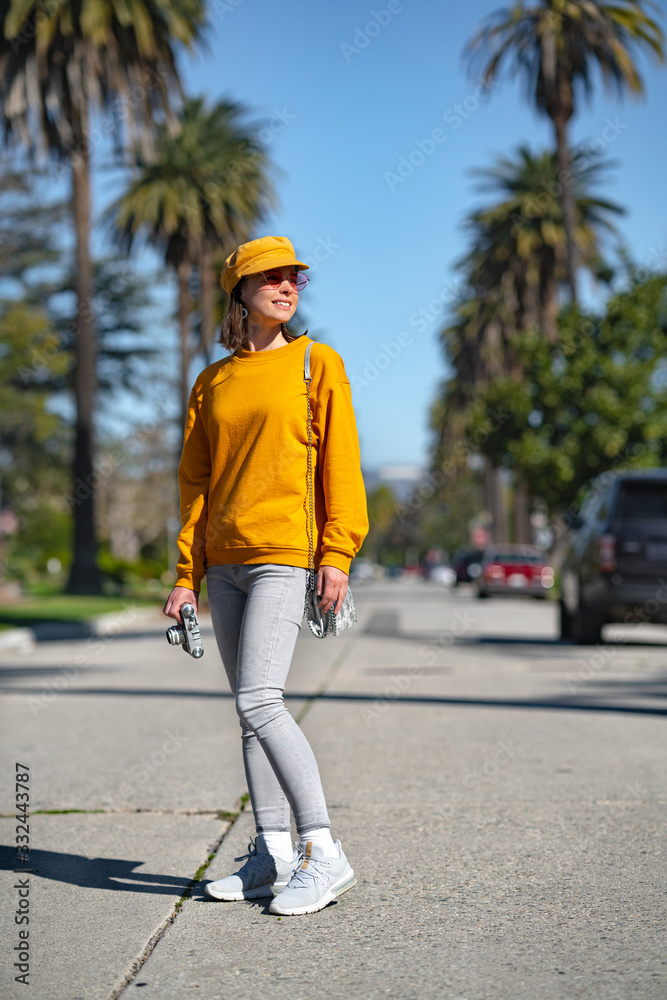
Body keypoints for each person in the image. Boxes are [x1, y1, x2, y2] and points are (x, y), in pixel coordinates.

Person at [163, 236, 369, 916]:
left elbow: (340, 464)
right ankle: (271, 854)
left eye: (295, 277)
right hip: (222, 565)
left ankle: (324, 852)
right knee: (249, 717)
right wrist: (186, 573)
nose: (287, 285)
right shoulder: (212, 381)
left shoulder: (316, 363)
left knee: (260, 700)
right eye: (271, 276)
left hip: (284, 555)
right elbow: (196, 485)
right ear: (240, 290)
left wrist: (336, 553)